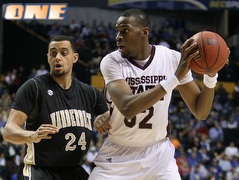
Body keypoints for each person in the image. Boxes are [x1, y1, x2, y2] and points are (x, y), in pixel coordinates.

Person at [89, 9, 230, 179]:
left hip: (158, 156)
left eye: (124, 30)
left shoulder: (171, 58)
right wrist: (175, 78)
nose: (118, 36)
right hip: (118, 154)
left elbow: (201, 111)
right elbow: (128, 107)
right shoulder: (111, 61)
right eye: (117, 31)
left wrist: (211, 74)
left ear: (144, 32)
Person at [2, 35, 109, 180]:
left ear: (75, 57)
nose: (57, 57)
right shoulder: (33, 87)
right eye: (53, 53)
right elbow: (8, 132)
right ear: (48, 58)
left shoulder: (90, 93)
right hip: (40, 171)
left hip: (74, 170)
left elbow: (115, 120)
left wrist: (104, 118)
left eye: (64, 53)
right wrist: (32, 135)